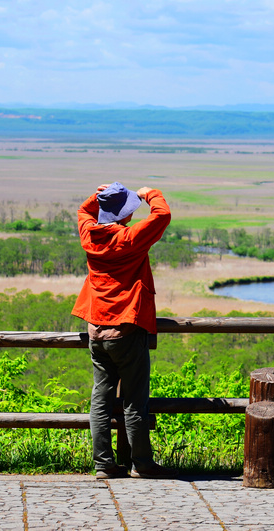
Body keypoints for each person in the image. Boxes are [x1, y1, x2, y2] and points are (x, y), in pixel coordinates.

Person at [72, 182, 175, 479]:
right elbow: (162, 215)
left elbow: (83, 210)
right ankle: (141, 463)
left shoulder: (89, 234)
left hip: (96, 329)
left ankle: (103, 464)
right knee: (134, 400)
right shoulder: (130, 238)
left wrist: (100, 196)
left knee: (100, 400)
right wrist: (150, 194)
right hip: (127, 328)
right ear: (126, 213)